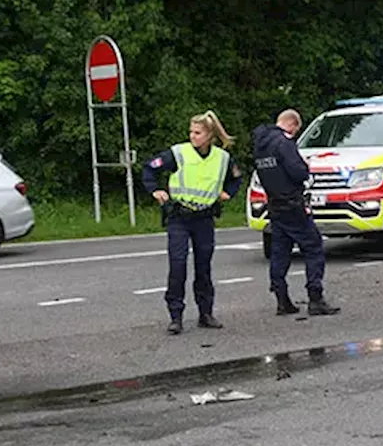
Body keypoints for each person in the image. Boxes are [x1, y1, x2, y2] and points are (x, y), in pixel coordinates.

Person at [141, 110, 243, 335]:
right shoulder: (179, 153)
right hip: (179, 216)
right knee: (178, 266)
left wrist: (228, 193)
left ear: (210, 136)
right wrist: (155, 190)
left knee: (203, 267)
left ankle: (205, 313)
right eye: (191, 132)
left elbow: (236, 178)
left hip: (204, 218)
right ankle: (175, 315)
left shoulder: (222, 158)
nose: (192, 136)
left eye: (198, 132)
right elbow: (150, 168)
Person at [252, 109, 339, 316]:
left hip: (274, 205)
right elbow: (298, 171)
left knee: (280, 252)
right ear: (292, 125)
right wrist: (306, 171)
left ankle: (282, 299)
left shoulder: (260, 146)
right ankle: (315, 298)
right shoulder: (284, 143)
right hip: (293, 204)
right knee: (314, 246)